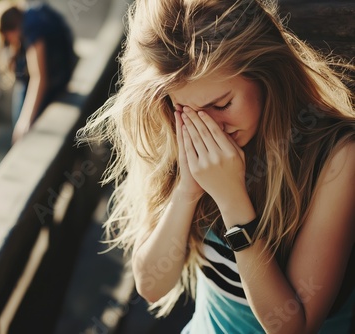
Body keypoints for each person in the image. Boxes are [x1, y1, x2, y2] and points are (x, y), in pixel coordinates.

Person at [77, 0, 355, 332]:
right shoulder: (189, 141)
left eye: (222, 104)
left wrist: (232, 200)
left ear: (268, 75)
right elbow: (150, 285)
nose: (212, 129)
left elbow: (293, 326)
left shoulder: (338, 157)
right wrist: (188, 188)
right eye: (188, 110)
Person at [0, 1, 77, 143]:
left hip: (51, 86)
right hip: (61, 80)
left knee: (23, 135)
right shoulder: (34, 15)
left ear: (7, 32)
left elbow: (39, 77)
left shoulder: (32, 27)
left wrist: (25, 121)